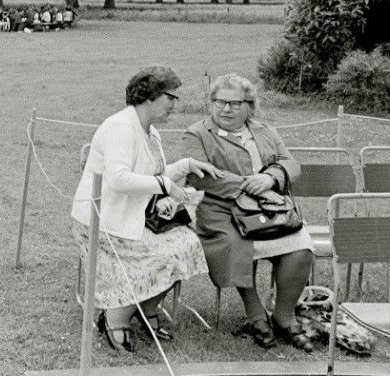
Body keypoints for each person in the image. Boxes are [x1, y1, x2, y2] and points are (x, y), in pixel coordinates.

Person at [71, 66, 222, 351]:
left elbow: (156, 172)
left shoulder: (150, 132)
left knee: (186, 244)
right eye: (171, 98)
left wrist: (187, 165)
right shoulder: (121, 128)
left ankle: (144, 309)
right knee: (160, 257)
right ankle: (114, 319)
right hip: (102, 222)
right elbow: (118, 180)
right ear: (149, 97)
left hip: (131, 220)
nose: (175, 105)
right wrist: (164, 184)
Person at [183, 73, 315, 352]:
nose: (225, 108)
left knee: (301, 247)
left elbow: (291, 163)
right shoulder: (197, 133)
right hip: (222, 210)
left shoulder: (264, 129)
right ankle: (255, 315)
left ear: (249, 106)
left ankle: (284, 315)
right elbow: (200, 177)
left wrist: (271, 178)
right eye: (219, 101)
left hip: (269, 209)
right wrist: (248, 186)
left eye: (233, 103)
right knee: (237, 245)